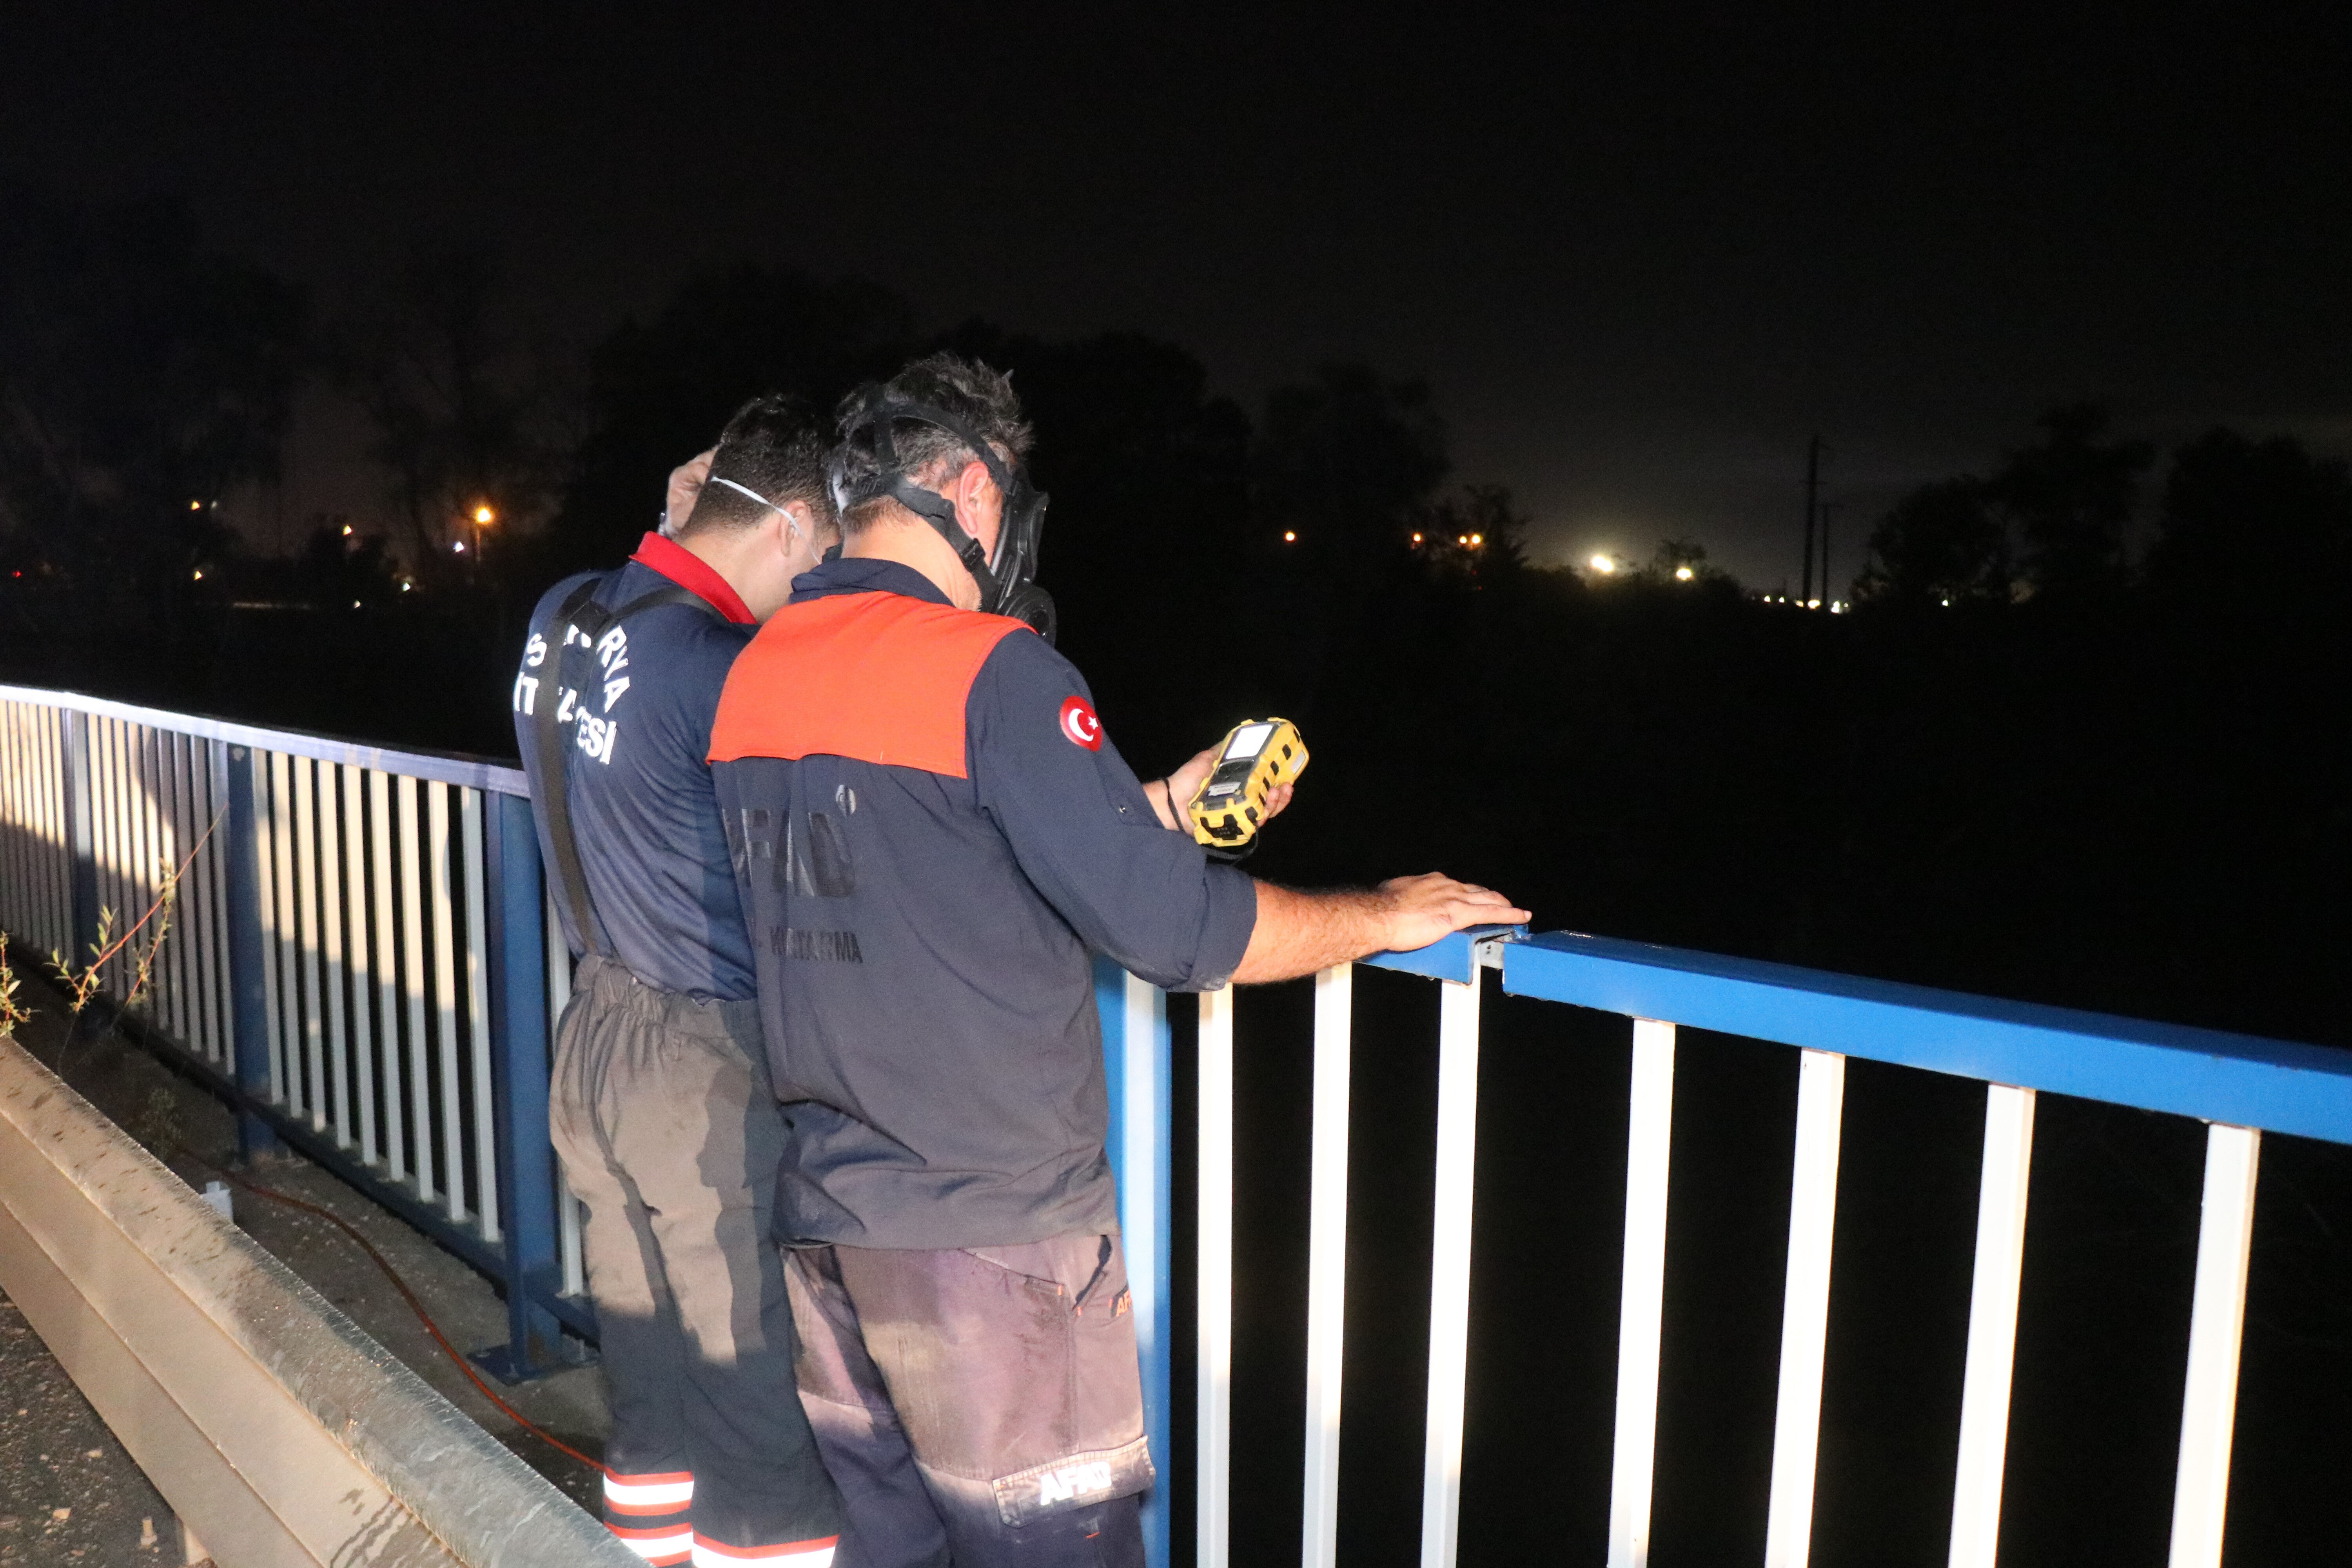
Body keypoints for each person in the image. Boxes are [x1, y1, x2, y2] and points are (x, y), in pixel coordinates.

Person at [707, 354, 1528, 1568]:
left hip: (832, 1232)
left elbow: (923, 859)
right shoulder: (990, 669)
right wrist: (1382, 914)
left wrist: (1161, 805)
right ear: (976, 493)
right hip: (991, 1255)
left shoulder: (761, 670)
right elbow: (1182, 934)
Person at [512, 393, 850, 1568]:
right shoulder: (724, 670)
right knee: (756, 1404)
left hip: (594, 1039)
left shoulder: (563, 613)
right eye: (825, 551)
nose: (820, 581)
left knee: (651, 1385)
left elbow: (637, 652)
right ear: (793, 524)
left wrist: (674, 528)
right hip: (699, 1070)